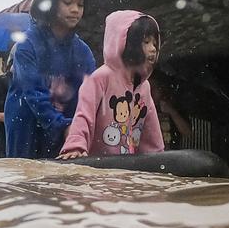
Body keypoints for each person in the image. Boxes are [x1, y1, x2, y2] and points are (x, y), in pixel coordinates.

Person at [3, 0, 97, 159]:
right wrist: (63, 126)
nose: (75, 10)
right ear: (50, 1)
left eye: (80, 4)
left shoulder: (83, 52)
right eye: (68, 2)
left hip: (68, 135)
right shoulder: (27, 45)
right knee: (25, 185)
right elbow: (34, 95)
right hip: (26, 133)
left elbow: (89, 98)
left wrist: (79, 128)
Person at [58, 11, 165, 158]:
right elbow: (83, 115)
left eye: (154, 43)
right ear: (126, 43)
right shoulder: (100, 78)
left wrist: (158, 158)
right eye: (146, 42)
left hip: (127, 168)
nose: (153, 48)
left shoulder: (144, 86)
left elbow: (150, 130)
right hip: (99, 167)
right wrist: (75, 146)